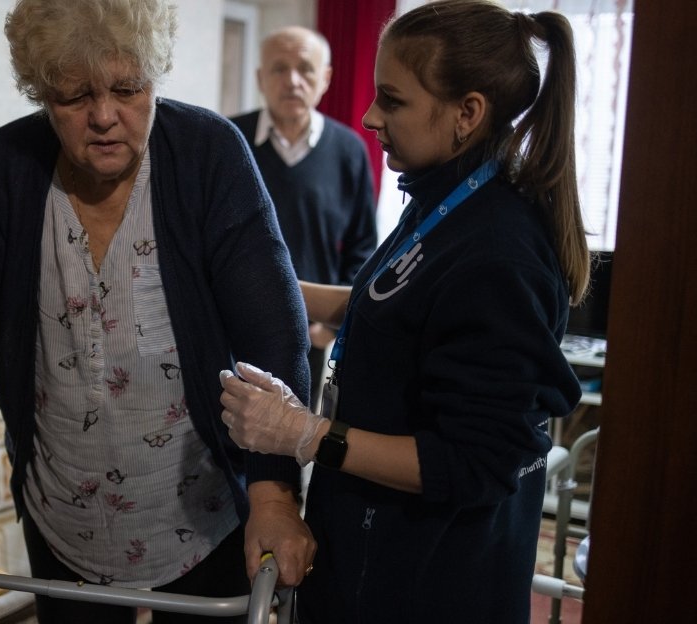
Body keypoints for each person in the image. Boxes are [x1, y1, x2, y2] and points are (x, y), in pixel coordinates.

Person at [0, 1, 316, 622]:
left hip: (203, 515)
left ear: (153, 76)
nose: (104, 117)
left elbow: (273, 332)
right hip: (63, 513)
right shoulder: (11, 166)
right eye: (74, 96)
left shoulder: (208, 156)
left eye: (127, 88)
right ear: (42, 94)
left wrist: (274, 492)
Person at [219, 1, 588, 622]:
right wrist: (252, 283)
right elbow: (387, 307)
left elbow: (473, 463)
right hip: (371, 549)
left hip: (429, 582)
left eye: (392, 101)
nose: (367, 118)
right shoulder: (441, 202)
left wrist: (301, 433)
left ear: (467, 113)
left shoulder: (498, 252)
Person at [229, 26, 377, 401]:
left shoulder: (349, 151)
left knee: (291, 435)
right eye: (279, 69)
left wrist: (334, 324)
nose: (292, 81)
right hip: (235, 323)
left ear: (325, 78)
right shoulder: (229, 140)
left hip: (310, 333)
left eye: (305, 69)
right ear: (261, 78)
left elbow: (362, 246)